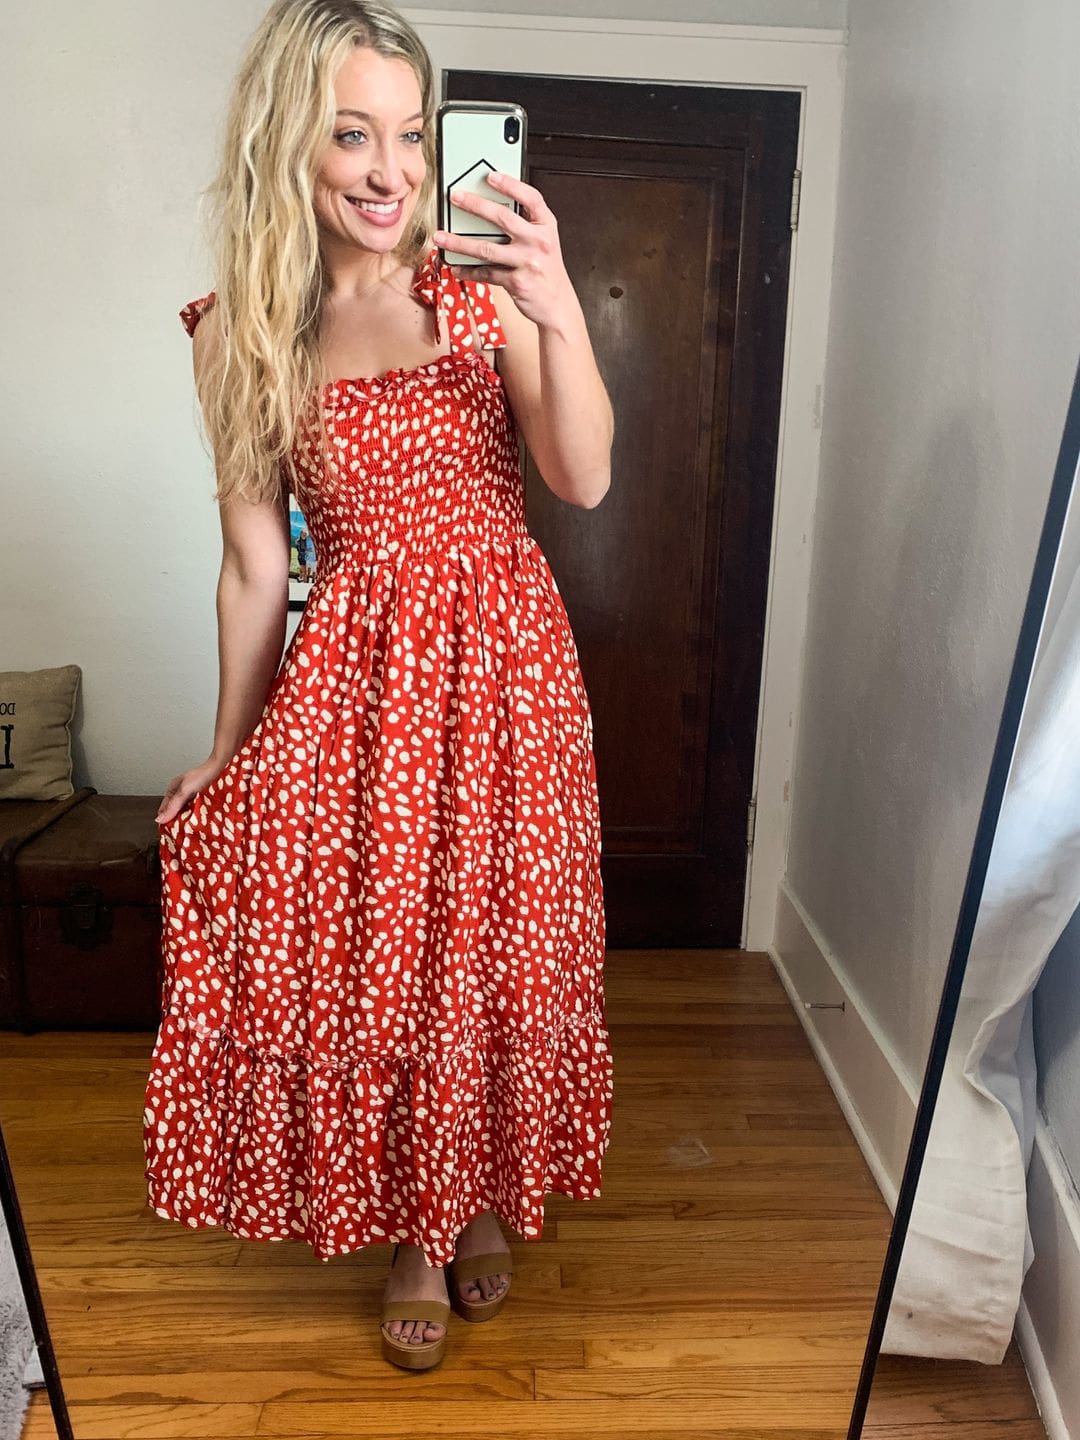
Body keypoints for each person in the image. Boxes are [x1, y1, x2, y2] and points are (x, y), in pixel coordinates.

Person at [143, 0, 614, 1372]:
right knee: (385, 966)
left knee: (495, 951)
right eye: (352, 134)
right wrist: (227, 749)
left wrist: (557, 307)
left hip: (507, 673)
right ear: (288, 140)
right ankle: (420, 1223)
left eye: (413, 135)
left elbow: (581, 477)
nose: (391, 170)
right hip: (360, 687)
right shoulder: (240, 333)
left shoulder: (477, 283)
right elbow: (252, 566)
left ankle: (471, 1198)